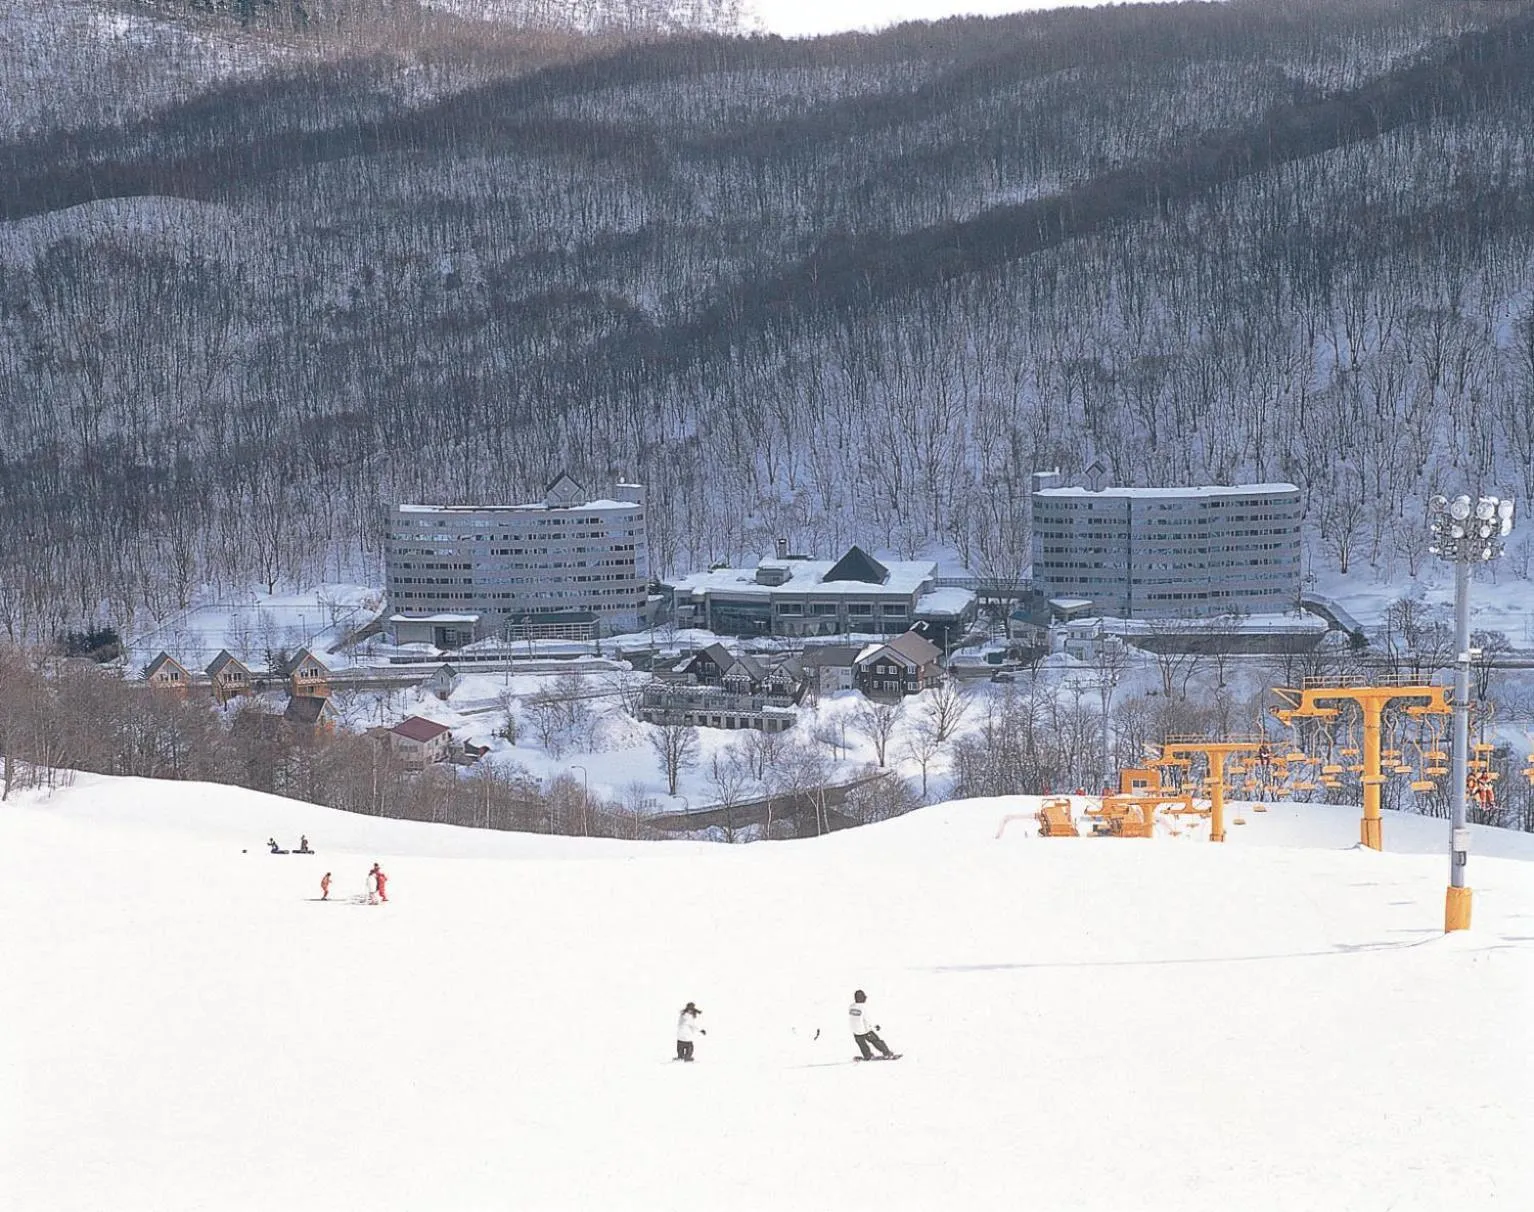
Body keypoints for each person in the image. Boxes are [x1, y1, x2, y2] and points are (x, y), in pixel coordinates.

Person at [848, 989, 894, 1060]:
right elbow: (867, 1020)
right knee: (876, 1041)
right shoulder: (863, 1007)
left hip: (855, 1030)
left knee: (862, 1044)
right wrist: (875, 1027)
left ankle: (867, 1055)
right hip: (864, 1030)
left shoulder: (851, 1007)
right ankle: (887, 1053)